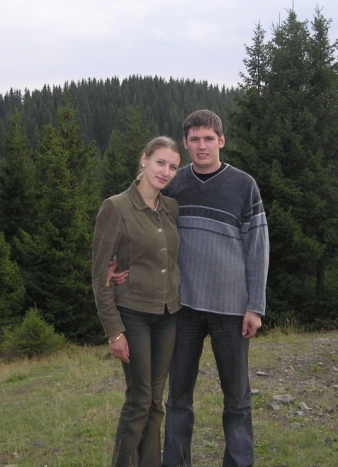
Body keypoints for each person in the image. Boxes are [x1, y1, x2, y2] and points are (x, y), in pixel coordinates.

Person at [110, 110, 269, 467]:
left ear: (221, 141)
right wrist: (117, 260)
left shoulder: (244, 185)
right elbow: (139, 219)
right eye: (194, 139)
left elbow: (258, 248)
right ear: (185, 143)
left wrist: (255, 306)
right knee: (178, 398)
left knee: (237, 398)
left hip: (231, 309)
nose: (202, 146)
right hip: (182, 309)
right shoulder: (174, 182)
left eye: (209, 138)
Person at [92, 136, 184, 467]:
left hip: (168, 314)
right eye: (160, 162)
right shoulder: (116, 207)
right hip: (133, 315)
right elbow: (100, 276)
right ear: (144, 159)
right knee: (139, 400)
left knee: (156, 401)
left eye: (173, 167)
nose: (165, 172)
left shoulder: (170, 208)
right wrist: (114, 331)